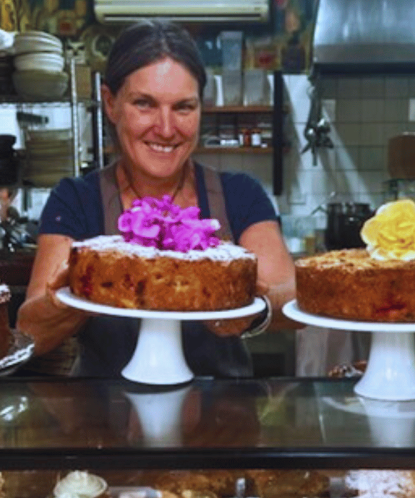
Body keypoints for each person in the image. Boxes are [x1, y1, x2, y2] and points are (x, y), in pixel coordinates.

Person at [17, 19, 295, 378]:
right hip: (105, 421)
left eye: (183, 107)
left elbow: (291, 298)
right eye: (144, 104)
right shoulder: (76, 200)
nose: (165, 128)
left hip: (222, 421)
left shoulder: (238, 194)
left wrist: (254, 308)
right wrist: (76, 294)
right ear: (110, 103)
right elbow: (30, 333)